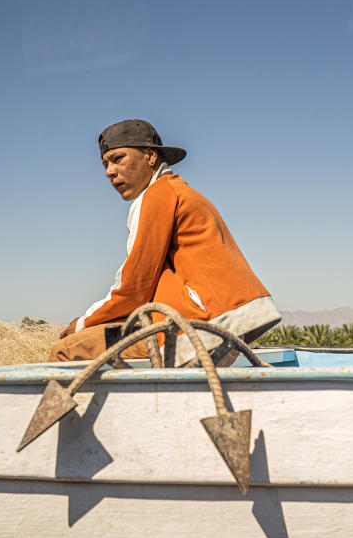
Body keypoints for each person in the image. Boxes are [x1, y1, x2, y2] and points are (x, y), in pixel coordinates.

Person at [49, 119, 281, 365]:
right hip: (225, 323)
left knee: (66, 350)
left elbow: (134, 288)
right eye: (105, 164)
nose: (109, 171)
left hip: (202, 324)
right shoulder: (178, 190)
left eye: (118, 159)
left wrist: (82, 323)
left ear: (150, 157)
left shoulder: (157, 195)